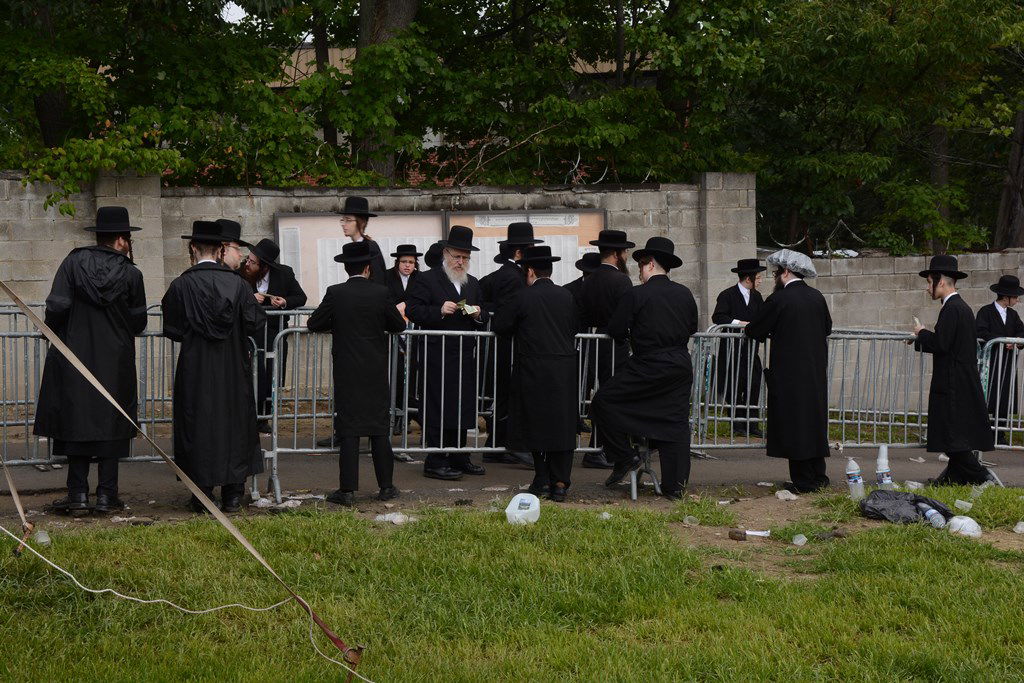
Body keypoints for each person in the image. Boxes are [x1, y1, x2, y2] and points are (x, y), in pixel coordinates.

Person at [35, 206, 147, 516]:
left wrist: (54, 333)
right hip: (115, 361)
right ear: (122, 240)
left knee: (76, 423)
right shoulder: (131, 273)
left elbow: (56, 307)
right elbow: (139, 322)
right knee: (112, 423)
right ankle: (106, 496)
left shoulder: (72, 264)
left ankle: (78, 495)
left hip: (74, 356)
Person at [162, 220, 267, 512]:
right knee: (235, 424)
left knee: (197, 425)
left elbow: (172, 327)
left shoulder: (181, 285)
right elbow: (256, 322)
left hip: (196, 367)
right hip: (232, 366)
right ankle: (233, 494)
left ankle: (202, 493)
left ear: (193, 248)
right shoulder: (237, 284)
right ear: (221, 250)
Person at [591, 237, 698, 499]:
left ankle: (626, 456)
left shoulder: (636, 294)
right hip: (679, 365)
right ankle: (676, 487)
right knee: (675, 423)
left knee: (603, 402)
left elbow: (616, 329)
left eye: (640, 266)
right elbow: (691, 328)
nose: (638, 272)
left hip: (648, 364)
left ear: (649, 265)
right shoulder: (684, 293)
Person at [306, 241, 408, 505]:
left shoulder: (336, 293)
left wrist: (337, 326)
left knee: (349, 429)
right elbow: (398, 325)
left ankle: (347, 490)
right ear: (366, 267)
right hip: (375, 369)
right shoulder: (381, 292)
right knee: (378, 429)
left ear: (346, 268)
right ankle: (386, 487)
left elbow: (314, 322)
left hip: (347, 370)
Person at [492, 245, 581, 501]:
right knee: (562, 427)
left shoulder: (523, 297)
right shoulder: (566, 296)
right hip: (563, 369)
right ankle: (561, 483)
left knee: (537, 426)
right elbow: (574, 326)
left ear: (529, 270)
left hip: (532, 368)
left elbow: (502, 325)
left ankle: (541, 478)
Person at [405, 225, 490, 480]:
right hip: (436, 355)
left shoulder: (472, 283)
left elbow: (484, 314)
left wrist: (477, 314)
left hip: (464, 355)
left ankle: (459, 455)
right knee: (438, 406)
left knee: (462, 406)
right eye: (456, 257)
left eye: (465, 258)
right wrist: (439, 310)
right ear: (445, 254)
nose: (460, 262)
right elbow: (414, 310)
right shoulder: (427, 279)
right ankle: (436, 459)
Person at [744, 249, 832, 494]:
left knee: (795, 426)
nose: (774, 278)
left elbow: (755, 330)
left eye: (775, 273)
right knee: (813, 423)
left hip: (789, 374)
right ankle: (818, 475)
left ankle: (803, 480)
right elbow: (827, 327)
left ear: (785, 272)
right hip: (814, 372)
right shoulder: (816, 297)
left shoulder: (780, 300)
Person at [913, 255, 995, 484]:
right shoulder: (960, 308)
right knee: (952, 436)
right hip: (957, 380)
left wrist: (921, 333)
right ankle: (952, 479)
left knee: (952, 438)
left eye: (929, 281)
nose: (927, 287)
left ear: (941, 282)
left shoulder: (953, 309)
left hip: (953, 383)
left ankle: (981, 478)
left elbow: (942, 344)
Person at [480, 222, 542, 464]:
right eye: (529, 249)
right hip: (507, 346)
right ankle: (506, 444)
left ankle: (495, 446)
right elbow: (508, 314)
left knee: (505, 396)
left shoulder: (502, 275)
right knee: (508, 395)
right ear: (518, 253)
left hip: (502, 346)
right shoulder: (512, 278)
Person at [578, 229, 635, 469]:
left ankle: (598, 447)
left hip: (591, 344)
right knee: (612, 398)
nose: (626, 256)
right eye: (624, 252)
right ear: (616, 254)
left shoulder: (588, 280)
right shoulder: (621, 280)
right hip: (613, 346)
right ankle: (599, 448)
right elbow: (625, 318)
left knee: (601, 397)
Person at [241, 238, 307, 433]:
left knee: (271, 374)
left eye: (253, 262)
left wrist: (284, 302)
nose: (248, 264)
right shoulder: (240, 274)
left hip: (274, 333)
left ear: (264, 266)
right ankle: (248, 416)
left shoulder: (284, 273)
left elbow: (300, 297)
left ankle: (264, 417)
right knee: (251, 375)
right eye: (248, 259)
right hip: (250, 333)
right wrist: (250, 298)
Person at [711, 259, 766, 438]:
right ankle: (737, 424)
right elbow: (718, 316)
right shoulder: (727, 295)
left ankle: (752, 424)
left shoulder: (757, 297)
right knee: (733, 387)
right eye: (757, 277)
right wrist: (741, 324)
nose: (760, 281)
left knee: (754, 385)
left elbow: (763, 316)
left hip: (751, 350)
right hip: (732, 351)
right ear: (748, 279)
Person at [976, 275, 1024, 445]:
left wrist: (1015, 341)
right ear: (1006, 296)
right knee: (988, 395)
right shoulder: (986, 312)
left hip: (1007, 362)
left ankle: (1001, 434)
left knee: (1004, 397)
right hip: (991, 362)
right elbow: (980, 331)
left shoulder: (1013, 315)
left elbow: (1021, 331)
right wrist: (1002, 340)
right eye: (1015, 296)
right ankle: (984, 433)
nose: (1017, 300)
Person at [565, 251, 601, 435]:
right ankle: (573, 417)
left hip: (593, 344)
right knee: (575, 379)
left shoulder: (602, 289)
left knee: (589, 381)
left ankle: (581, 415)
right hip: (575, 343)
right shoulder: (570, 290)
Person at [339, 196, 387, 286]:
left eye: (348, 220)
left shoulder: (370, 246)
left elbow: (379, 280)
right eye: (343, 220)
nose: (344, 224)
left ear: (362, 222)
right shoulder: (354, 247)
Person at [386, 244, 422, 310]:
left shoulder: (421, 277)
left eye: (411, 262)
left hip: (414, 317)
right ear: (397, 262)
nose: (407, 265)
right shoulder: (386, 276)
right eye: (403, 261)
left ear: (415, 264)